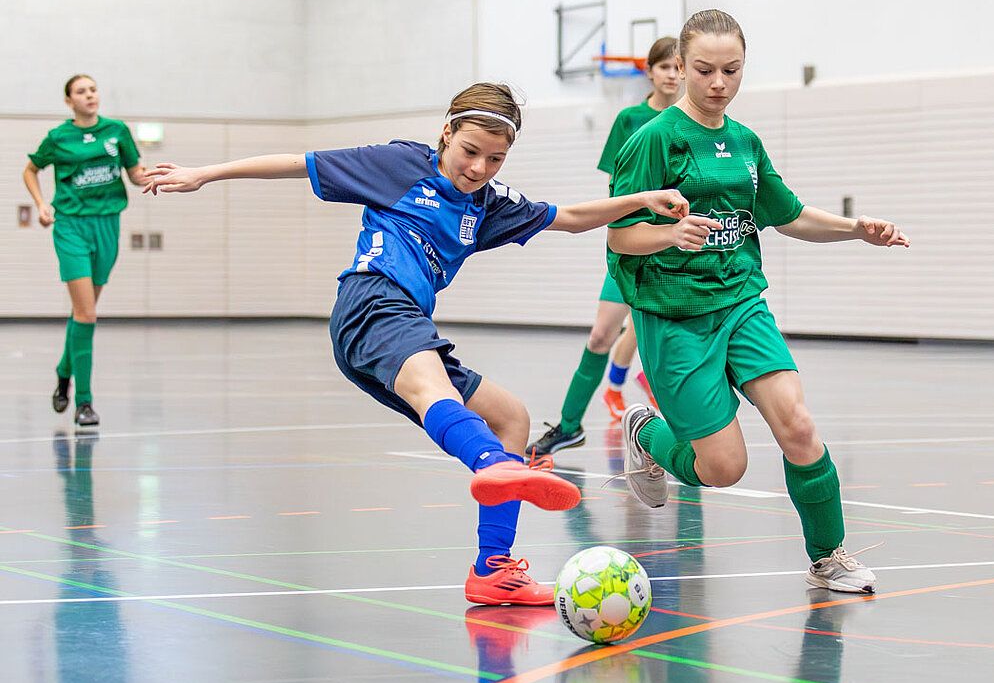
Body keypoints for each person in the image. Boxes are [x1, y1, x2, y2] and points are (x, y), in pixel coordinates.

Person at [143, 82, 688, 606]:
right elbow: (296, 161)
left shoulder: (490, 204)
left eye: (494, 159)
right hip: (372, 302)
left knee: (512, 420)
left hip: (408, 324)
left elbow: (569, 219)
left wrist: (641, 199)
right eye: (471, 151)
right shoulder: (401, 165)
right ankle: (488, 464)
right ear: (447, 132)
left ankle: (494, 572)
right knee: (440, 395)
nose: (478, 169)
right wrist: (204, 174)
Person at [607, 10, 909, 594]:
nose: (718, 82)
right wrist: (669, 233)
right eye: (704, 70)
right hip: (674, 316)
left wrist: (855, 228)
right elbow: (620, 235)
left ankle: (828, 557)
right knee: (723, 468)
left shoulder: (745, 142)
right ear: (684, 68)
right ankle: (647, 434)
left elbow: (788, 215)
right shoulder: (654, 139)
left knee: (797, 423)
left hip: (742, 300)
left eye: (731, 70)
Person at [527, 37, 681, 457]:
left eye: (679, 67)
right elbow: (616, 189)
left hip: (679, 255)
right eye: (665, 66)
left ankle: (688, 436)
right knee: (600, 335)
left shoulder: (698, 124)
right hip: (633, 248)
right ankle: (570, 425)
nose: (672, 74)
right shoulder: (631, 120)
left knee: (667, 345)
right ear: (649, 72)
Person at [24, 74, 146, 428]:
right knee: (87, 314)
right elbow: (30, 171)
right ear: (69, 101)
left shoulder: (117, 131)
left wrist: (158, 178)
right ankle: (84, 402)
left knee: (83, 313)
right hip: (71, 226)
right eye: (81, 91)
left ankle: (64, 371)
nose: (89, 95)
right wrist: (41, 204)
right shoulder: (58, 138)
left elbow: (135, 173)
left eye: (93, 89)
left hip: (107, 224)